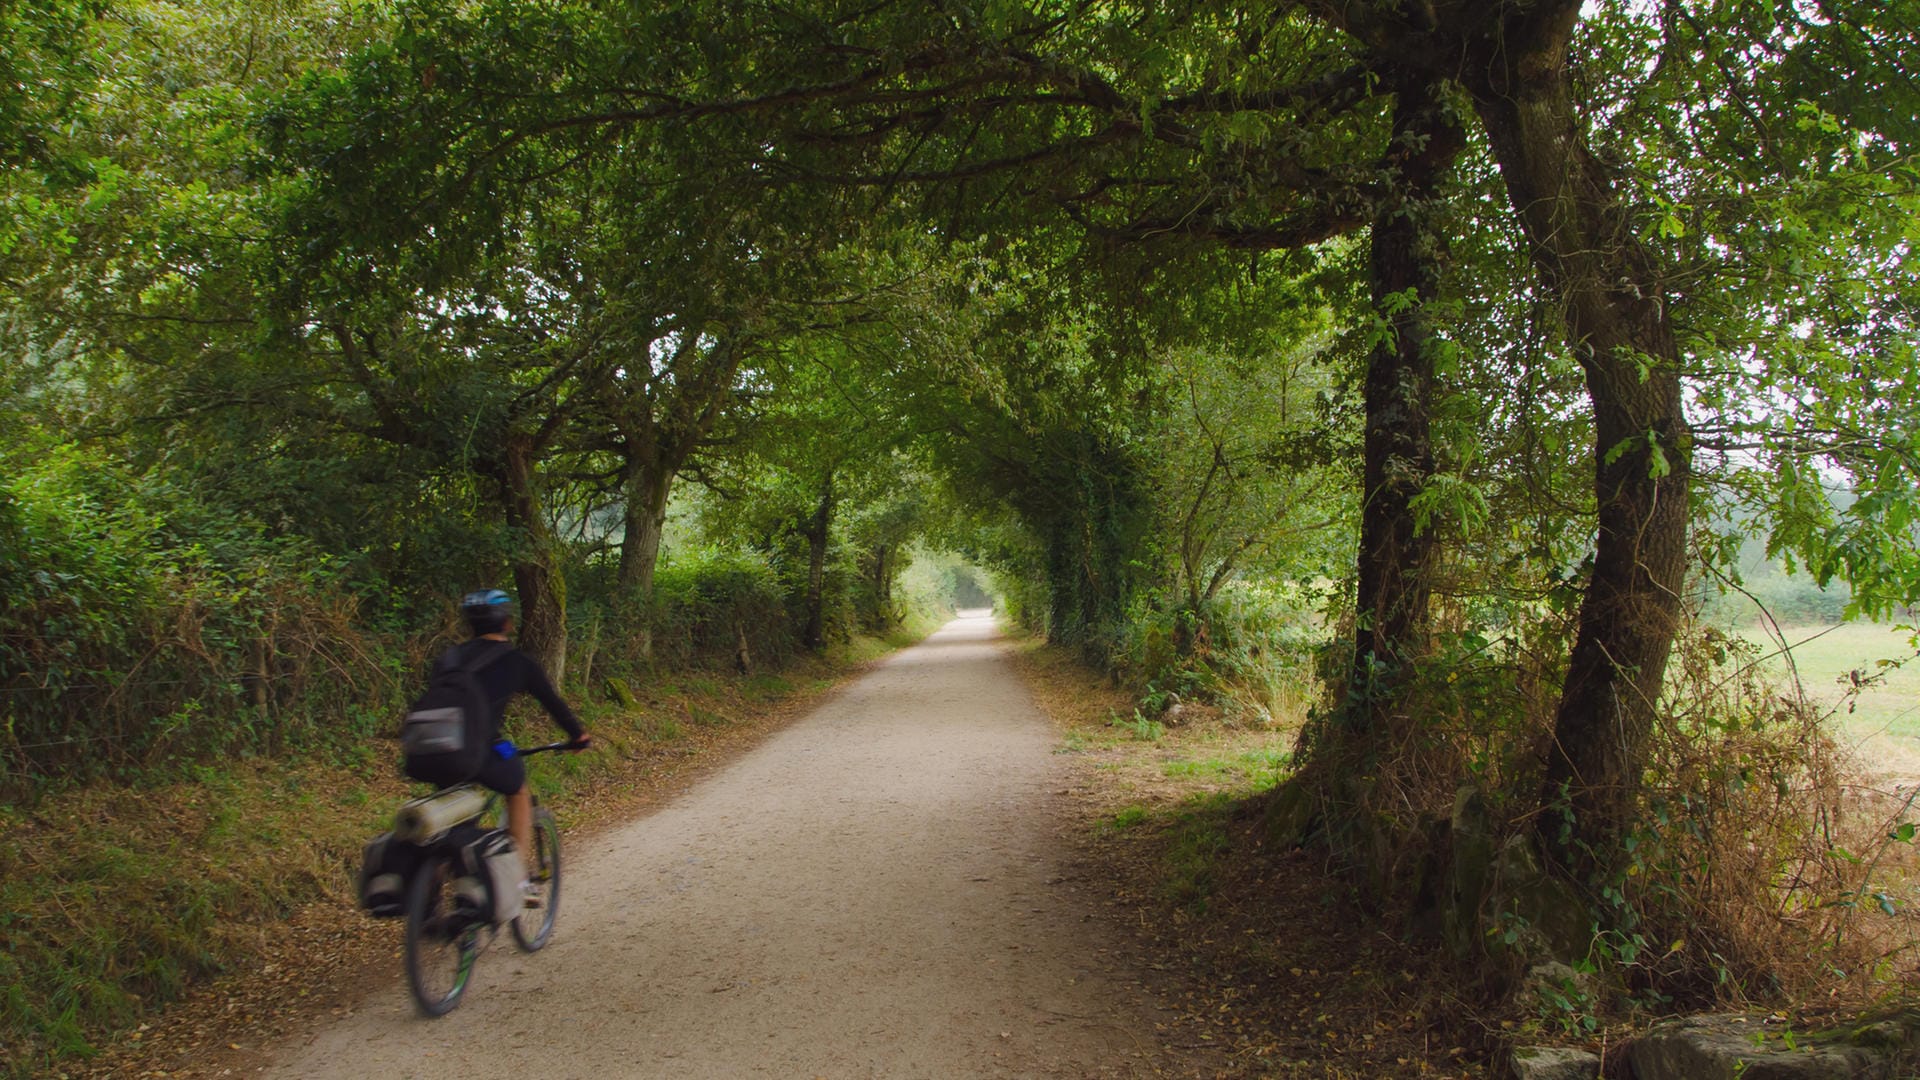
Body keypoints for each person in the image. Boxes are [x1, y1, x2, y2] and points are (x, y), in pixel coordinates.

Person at [445, 588, 590, 900]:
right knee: (518, 787)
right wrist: (577, 735)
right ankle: (517, 880)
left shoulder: (449, 657)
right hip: (486, 748)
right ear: (508, 623)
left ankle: (428, 894)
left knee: (449, 816)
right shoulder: (517, 662)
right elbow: (553, 702)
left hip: (434, 749)